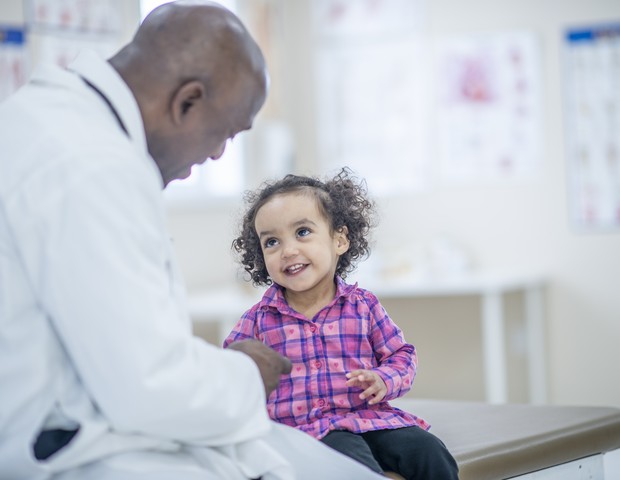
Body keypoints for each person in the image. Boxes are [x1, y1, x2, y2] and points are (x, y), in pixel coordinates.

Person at [0, 2, 387, 479]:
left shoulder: (47, 116)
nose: (217, 153)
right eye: (224, 132)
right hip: (76, 453)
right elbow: (148, 386)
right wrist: (249, 374)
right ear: (187, 102)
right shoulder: (93, 167)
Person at [223, 168, 460, 479]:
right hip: (311, 433)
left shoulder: (363, 306)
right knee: (352, 464)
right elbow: (229, 369)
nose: (288, 250)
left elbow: (401, 356)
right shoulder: (258, 320)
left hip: (373, 419)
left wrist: (383, 378)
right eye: (271, 242)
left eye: (303, 232)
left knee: (429, 451)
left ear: (340, 240)